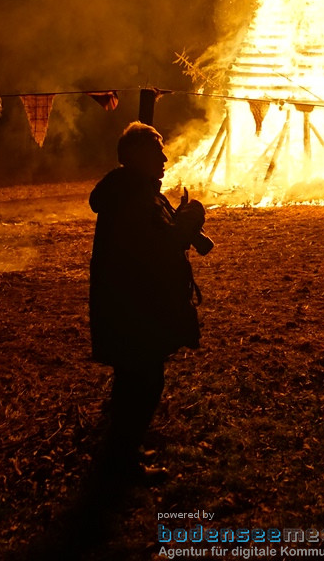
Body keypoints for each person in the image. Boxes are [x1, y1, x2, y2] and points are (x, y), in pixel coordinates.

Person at [88, 121, 207, 480]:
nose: (165, 157)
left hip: (130, 304)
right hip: (133, 307)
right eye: (157, 151)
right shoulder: (134, 196)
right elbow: (160, 245)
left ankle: (121, 455)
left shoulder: (132, 190)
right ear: (139, 156)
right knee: (142, 383)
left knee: (136, 381)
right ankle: (122, 463)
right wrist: (190, 219)